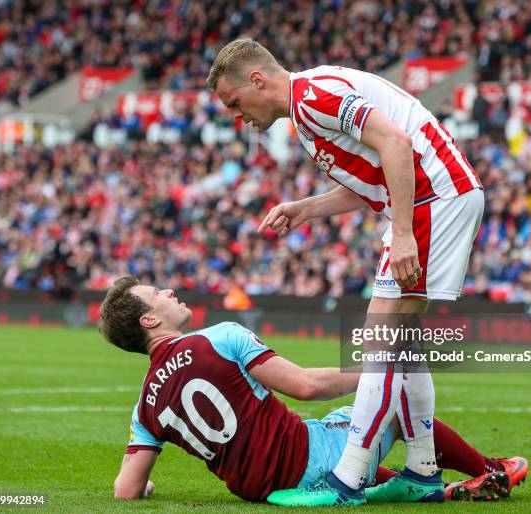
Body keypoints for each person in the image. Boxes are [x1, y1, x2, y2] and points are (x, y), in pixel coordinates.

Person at [207, 39, 485, 504]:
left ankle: (348, 480)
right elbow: (376, 176)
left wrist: (401, 234)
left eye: (235, 103)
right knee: (401, 342)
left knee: (380, 340)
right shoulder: (304, 113)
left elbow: (396, 144)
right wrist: (307, 208)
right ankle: (421, 471)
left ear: (257, 80)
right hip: (427, 198)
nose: (239, 116)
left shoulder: (314, 96)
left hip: (433, 197)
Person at [98, 277, 527, 503]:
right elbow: (305, 385)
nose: (168, 291)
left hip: (263, 490)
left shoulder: (144, 407)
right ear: (148, 321)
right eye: (157, 294)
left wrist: (147, 489)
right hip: (310, 458)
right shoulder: (219, 337)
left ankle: (414, 487)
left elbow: (125, 490)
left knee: (341, 430)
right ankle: (491, 470)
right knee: (392, 406)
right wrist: (379, 372)